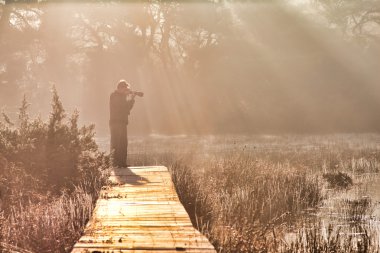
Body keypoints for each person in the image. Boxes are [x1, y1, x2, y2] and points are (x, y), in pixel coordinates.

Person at [109, 80, 136, 167]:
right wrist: (129, 98)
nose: (126, 91)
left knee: (123, 143)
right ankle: (115, 164)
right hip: (115, 123)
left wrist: (132, 99)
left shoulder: (122, 96)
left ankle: (122, 163)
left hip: (123, 122)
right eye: (125, 89)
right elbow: (122, 107)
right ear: (120, 88)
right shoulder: (114, 96)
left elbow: (127, 109)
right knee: (116, 143)